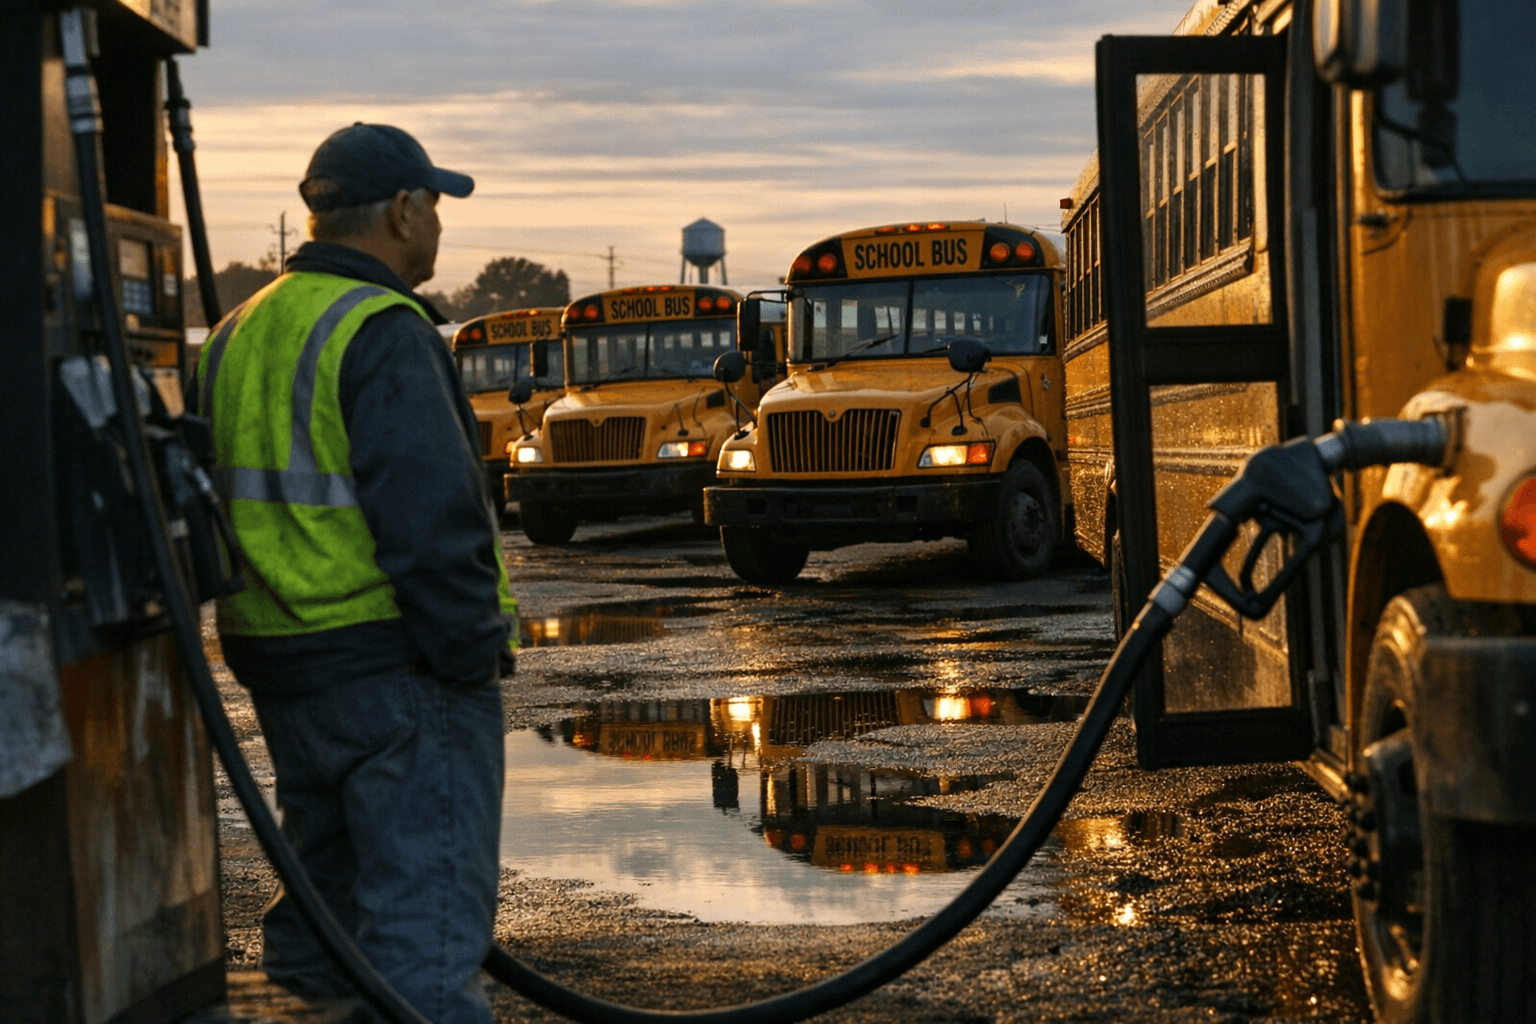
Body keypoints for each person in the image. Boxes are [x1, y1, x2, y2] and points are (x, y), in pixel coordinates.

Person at [193, 123, 516, 1024]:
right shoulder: (381, 329)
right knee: (425, 948)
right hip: (397, 670)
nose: (439, 224)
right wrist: (471, 658)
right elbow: (433, 526)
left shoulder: (235, 331)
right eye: (436, 205)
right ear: (404, 210)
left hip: (283, 665)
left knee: (328, 919)